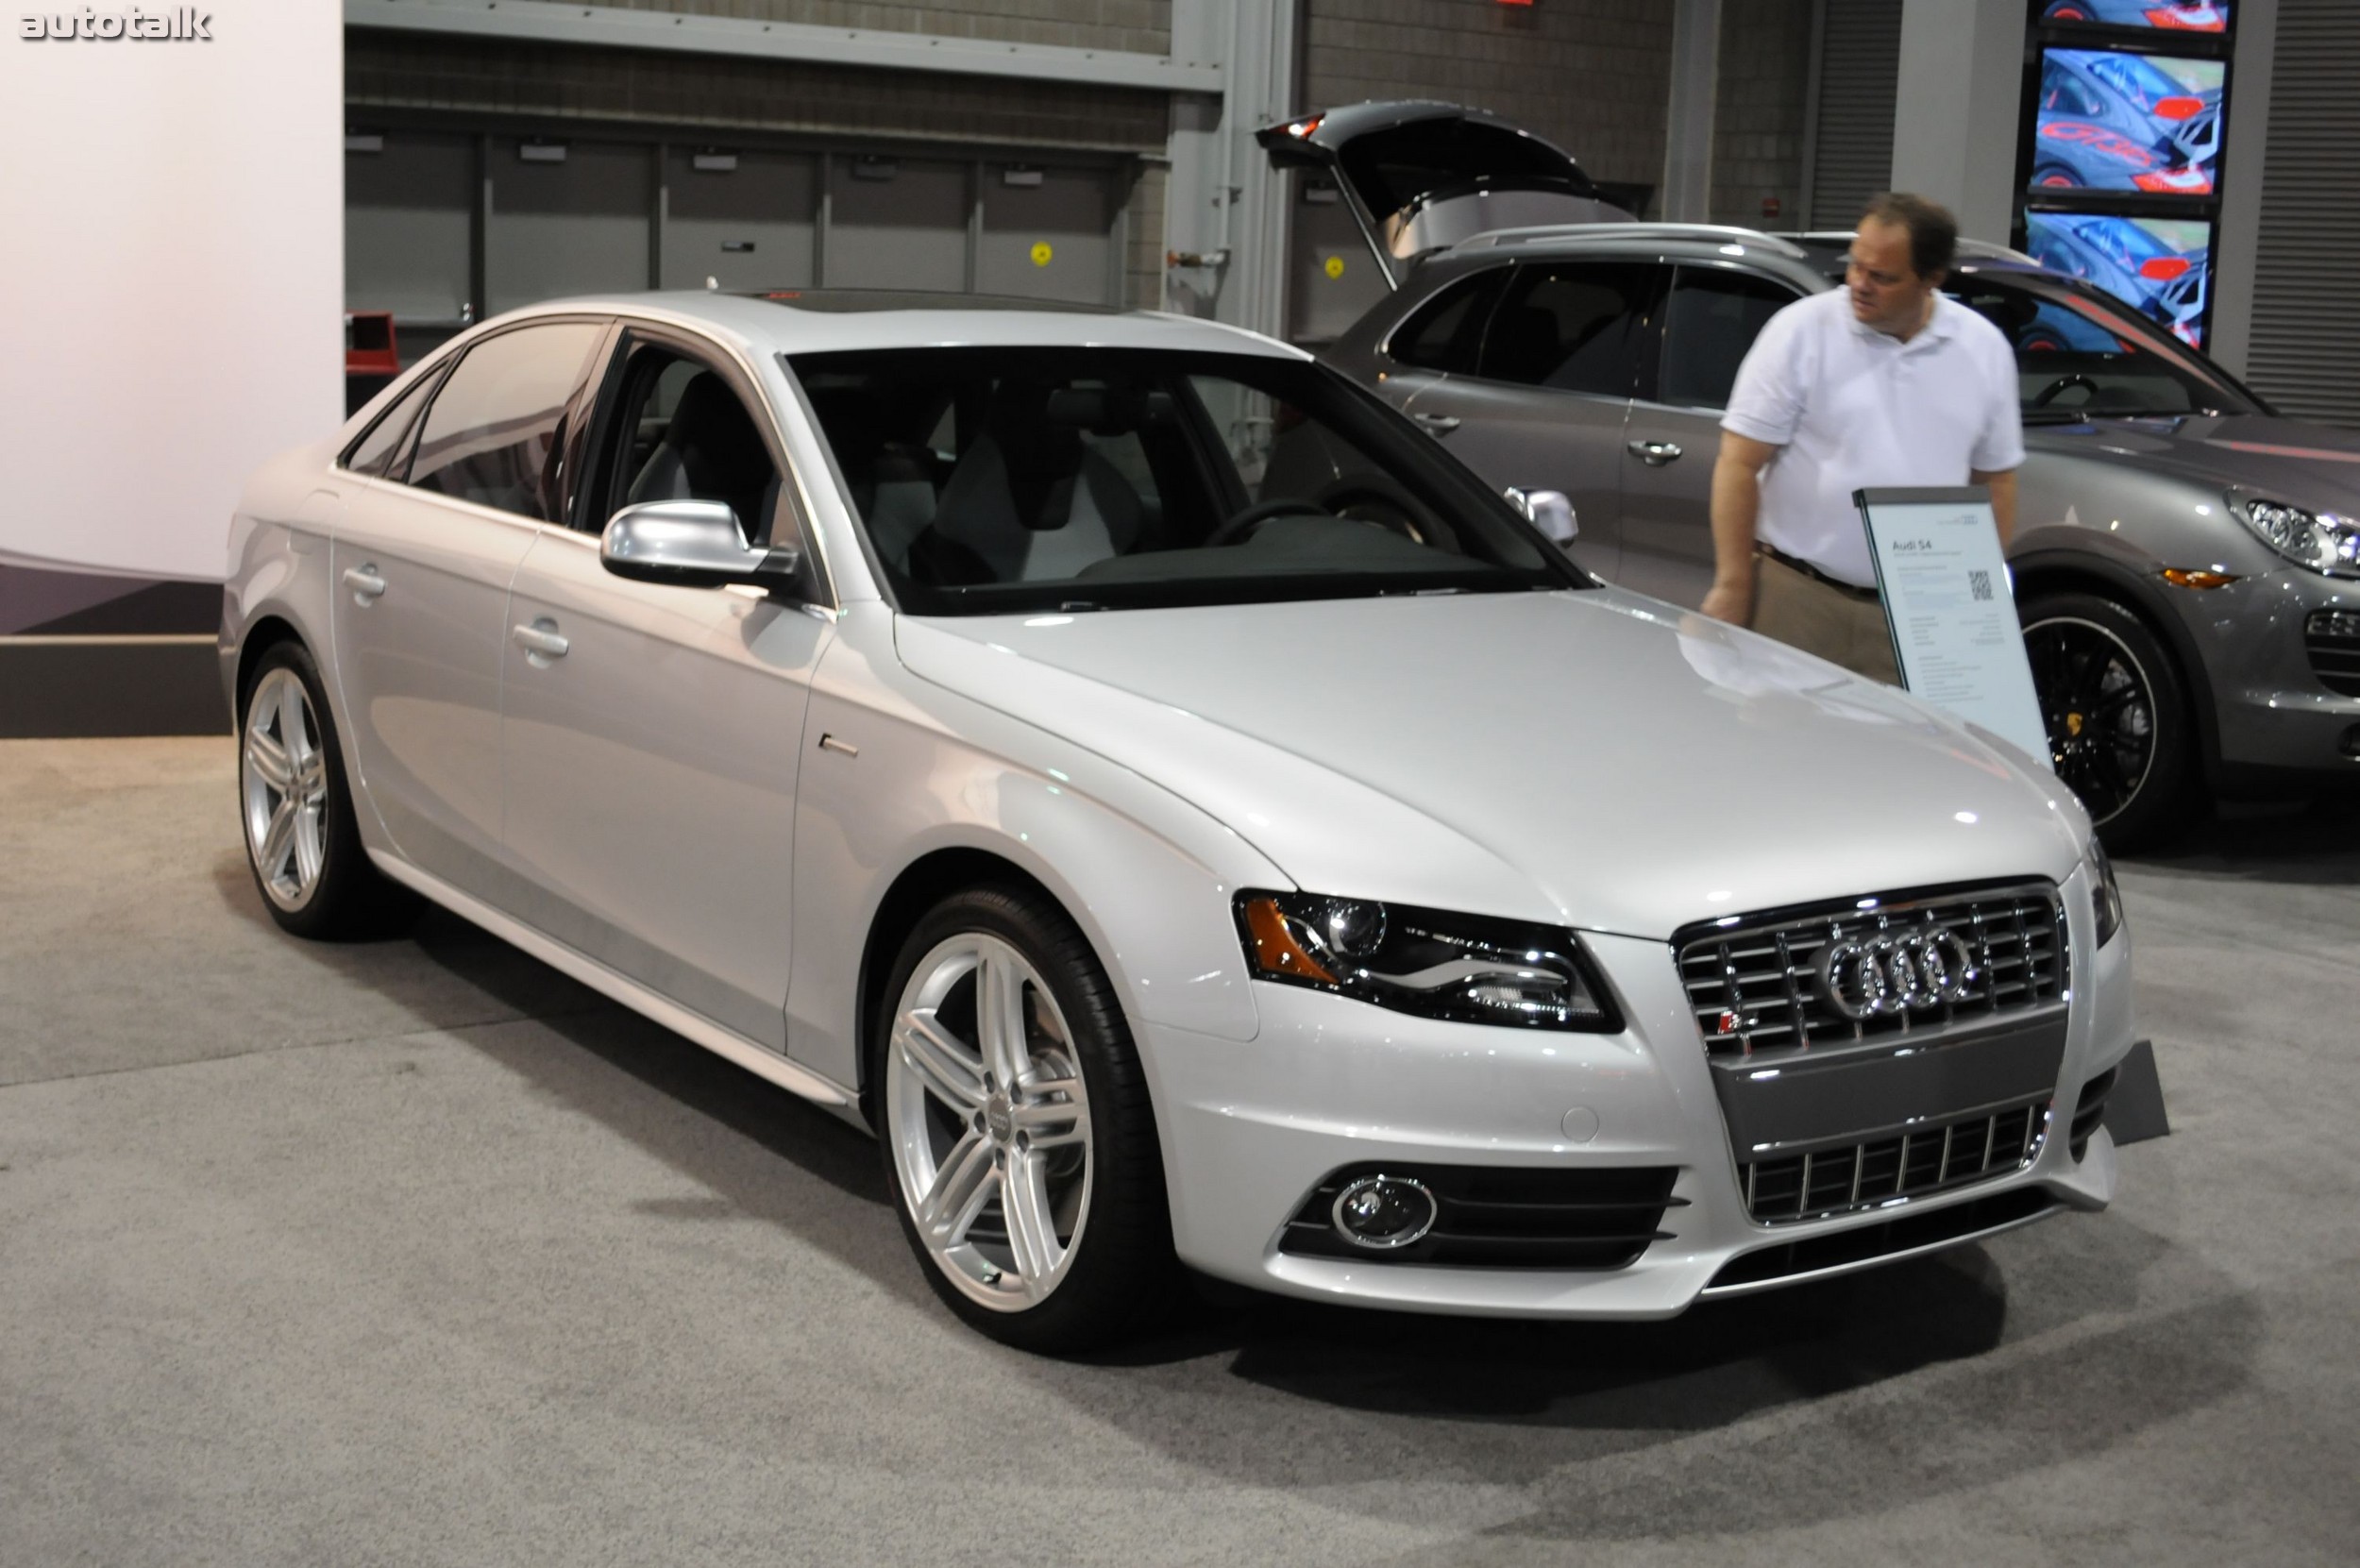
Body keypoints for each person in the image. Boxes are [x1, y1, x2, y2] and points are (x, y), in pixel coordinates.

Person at [1701, 193, 2024, 682]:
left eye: (1882, 277)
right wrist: (1732, 583)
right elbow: (1738, 463)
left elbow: (1995, 482)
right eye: (1856, 266)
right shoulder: (1801, 332)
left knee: (1900, 755)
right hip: (1797, 597)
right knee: (1771, 751)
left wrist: (1977, 600)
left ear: (1932, 279)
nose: (1859, 283)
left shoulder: (1983, 350)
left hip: (1920, 613)